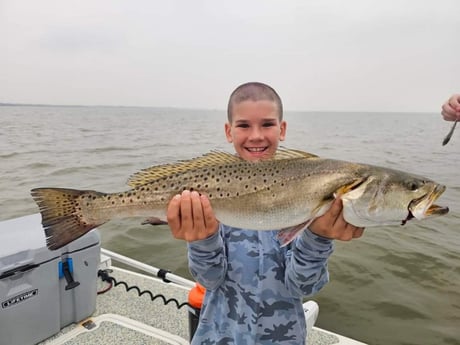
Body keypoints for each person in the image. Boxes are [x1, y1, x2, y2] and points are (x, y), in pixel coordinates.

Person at [167, 82, 364, 345]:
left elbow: (303, 287)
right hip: (218, 337)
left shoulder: (308, 192)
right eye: (244, 125)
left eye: (268, 124)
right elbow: (209, 280)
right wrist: (201, 240)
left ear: (282, 129)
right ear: (229, 131)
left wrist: (318, 238)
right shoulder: (210, 189)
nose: (256, 135)